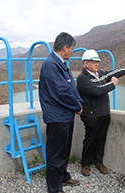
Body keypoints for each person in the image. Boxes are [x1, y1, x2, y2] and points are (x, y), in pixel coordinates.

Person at [76, 49, 125, 176]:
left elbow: (112, 72)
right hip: (91, 115)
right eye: (94, 62)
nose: (97, 64)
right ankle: (85, 164)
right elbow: (97, 91)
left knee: (101, 139)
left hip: (104, 113)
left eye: (97, 62)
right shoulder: (82, 79)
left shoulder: (99, 74)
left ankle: (99, 162)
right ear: (86, 63)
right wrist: (112, 84)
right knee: (90, 140)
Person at [39, 32, 83, 193]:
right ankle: (54, 188)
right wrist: (77, 106)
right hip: (57, 117)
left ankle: (63, 176)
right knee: (56, 153)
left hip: (65, 115)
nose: (72, 51)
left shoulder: (61, 63)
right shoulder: (51, 65)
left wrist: (79, 102)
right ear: (65, 48)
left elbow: (71, 85)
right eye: (72, 48)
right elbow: (61, 91)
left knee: (64, 150)